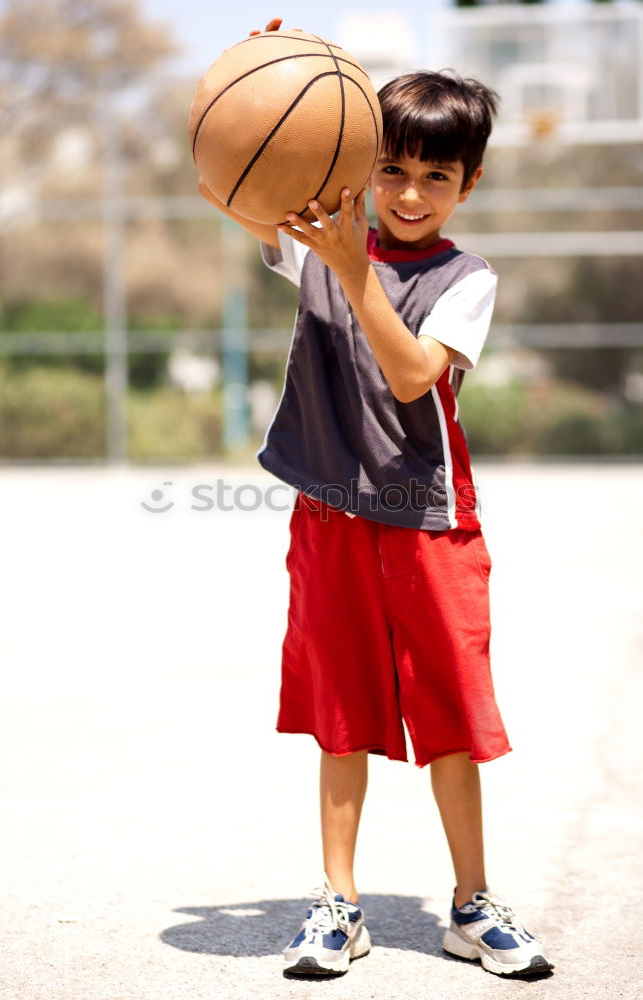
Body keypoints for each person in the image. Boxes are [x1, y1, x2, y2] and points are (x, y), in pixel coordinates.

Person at [197, 17, 553, 980]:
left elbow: (410, 381)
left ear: (468, 185)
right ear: (363, 162)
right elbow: (224, 179)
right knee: (342, 713)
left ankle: (473, 905)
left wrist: (357, 278)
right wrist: (255, 74)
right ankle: (338, 904)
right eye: (391, 169)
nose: (408, 192)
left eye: (436, 177)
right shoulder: (317, 241)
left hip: (428, 517)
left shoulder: (464, 278)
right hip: (331, 513)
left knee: (447, 714)